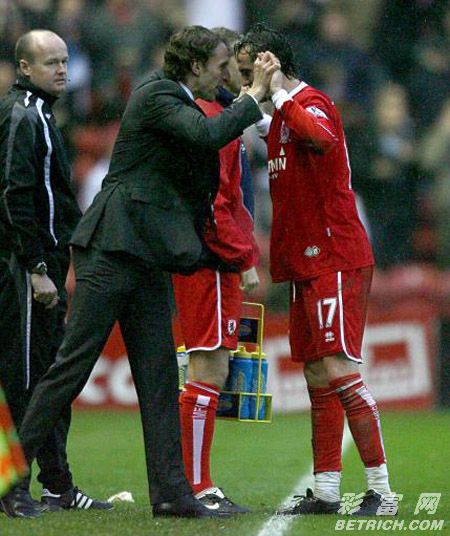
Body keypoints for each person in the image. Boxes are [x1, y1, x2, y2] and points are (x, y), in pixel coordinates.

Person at [16, 26, 279, 519]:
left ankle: (172, 494)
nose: (226, 75)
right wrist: (252, 97)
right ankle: (9, 478)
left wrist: (262, 94)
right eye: (220, 66)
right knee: (69, 370)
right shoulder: (157, 95)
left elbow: (222, 121)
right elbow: (208, 133)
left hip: (148, 256)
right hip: (111, 251)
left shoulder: (184, 97)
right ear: (195, 67)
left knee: (158, 379)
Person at [235, 24, 394, 516]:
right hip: (304, 263)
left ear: (271, 64)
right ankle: (326, 489)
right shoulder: (282, 116)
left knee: (339, 368)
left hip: (334, 257)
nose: (246, 83)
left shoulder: (313, 103)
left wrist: (278, 93)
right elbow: (276, 131)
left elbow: (320, 138)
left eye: (249, 72)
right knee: (316, 373)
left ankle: (381, 491)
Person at [0, 29, 112, 518]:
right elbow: (14, 195)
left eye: (65, 61)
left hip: (42, 263)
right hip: (22, 269)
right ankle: (12, 489)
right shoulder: (23, 115)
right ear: (25, 68)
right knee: (25, 380)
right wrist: (36, 267)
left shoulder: (42, 113)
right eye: (51, 63)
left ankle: (59, 486)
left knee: (48, 379)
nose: (62, 70)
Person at [173, 27, 259, 515]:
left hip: (210, 258)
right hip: (211, 260)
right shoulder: (213, 122)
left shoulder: (215, 119)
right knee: (208, 367)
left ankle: (194, 482)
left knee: (210, 367)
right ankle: (197, 486)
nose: (238, 76)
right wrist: (244, 257)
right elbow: (216, 204)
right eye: (232, 67)